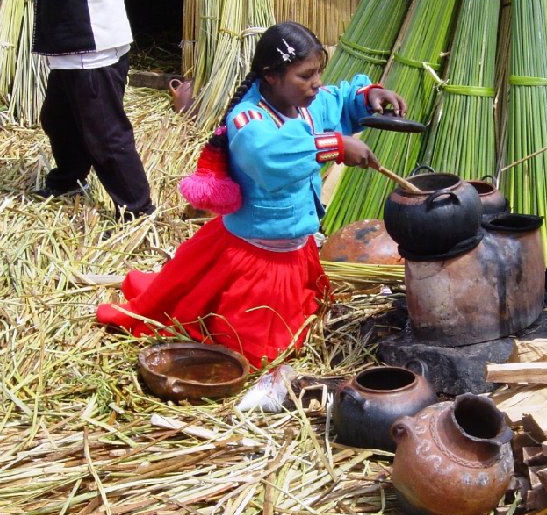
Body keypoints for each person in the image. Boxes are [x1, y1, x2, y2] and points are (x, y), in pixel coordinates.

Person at [97, 21, 407, 369]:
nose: (316, 83)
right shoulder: (249, 120)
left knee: (305, 331)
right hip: (256, 262)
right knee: (257, 354)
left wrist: (367, 98)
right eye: (305, 76)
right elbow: (270, 157)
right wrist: (334, 146)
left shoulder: (307, 105)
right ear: (271, 76)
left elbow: (337, 102)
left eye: (318, 72)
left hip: (295, 251)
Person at [29, 0, 155, 219]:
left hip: (92, 48)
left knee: (106, 135)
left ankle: (137, 208)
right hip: (74, 48)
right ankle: (70, 181)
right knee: (59, 119)